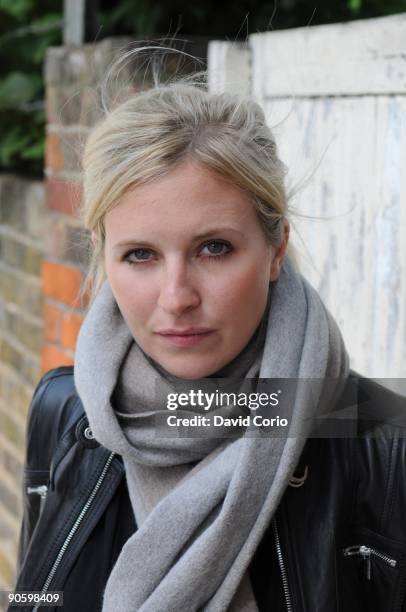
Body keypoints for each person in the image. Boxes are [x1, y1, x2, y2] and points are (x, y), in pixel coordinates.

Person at [12, 49, 406, 612]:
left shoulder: (385, 446)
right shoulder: (67, 412)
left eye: (214, 248)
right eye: (140, 255)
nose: (177, 298)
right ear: (102, 256)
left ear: (275, 249)